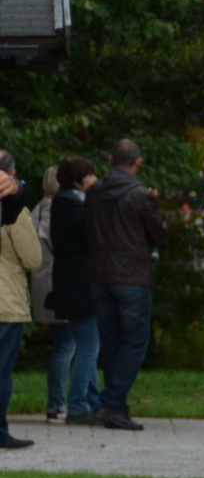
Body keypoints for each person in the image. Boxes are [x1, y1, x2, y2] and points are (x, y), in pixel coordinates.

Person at [85, 140, 168, 432]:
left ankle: (115, 406)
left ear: (109, 159)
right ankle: (112, 403)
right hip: (132, 278)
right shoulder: (139, 194)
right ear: (138, 162)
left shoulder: (93, 192)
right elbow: (159, 234)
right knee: (134, 341)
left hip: (100, 276)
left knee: (111, 342)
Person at [47, 157, 102, 426]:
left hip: (70, 283)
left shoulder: (63, 205)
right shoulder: (76, 210)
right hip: (81, 285)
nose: (95, 179)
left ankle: (91, 400)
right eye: (91, 175)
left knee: (85, 343)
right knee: (89, 345)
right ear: (79, 181)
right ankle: (79, 404)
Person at [0, 154, 43, 449]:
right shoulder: (14, 210)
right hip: (5, 300)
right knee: (1, 371)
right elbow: (32, 258)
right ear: (12, 174)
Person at [29, 164, 64, 421]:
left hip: (41, 285)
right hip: (62, 285)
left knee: (61, 343)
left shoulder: (35, 212)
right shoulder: (63, 211)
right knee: (68, 345)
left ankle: (57, 402)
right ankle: (57, 402)